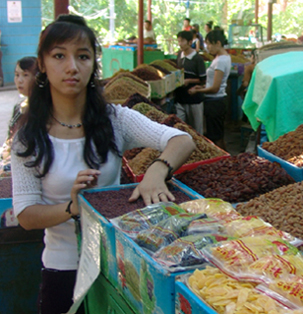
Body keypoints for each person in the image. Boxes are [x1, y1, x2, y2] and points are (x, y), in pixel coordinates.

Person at [11, 14, 195, 314]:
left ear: (93, 64)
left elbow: (182, 141)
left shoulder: (114, 119)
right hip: (63, 268)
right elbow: (26, 215)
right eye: (59, 56)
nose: (72, 67)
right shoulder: (29, 138)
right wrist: (72, 208)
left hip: (118, 266)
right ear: (42, 64)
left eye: (82, 56)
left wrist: (157, 171)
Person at [189, 30, 231, 150]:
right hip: (218, 101)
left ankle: (223, 162)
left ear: (218, 43)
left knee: (216, 137)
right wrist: (202, 87)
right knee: (218, 134)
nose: (207, 48)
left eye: (209, 44)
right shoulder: (224, 57)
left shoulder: (220, 61)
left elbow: (215, 88)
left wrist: (197, 91)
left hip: (214, 103)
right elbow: (213, 84)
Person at [0, 56, 37, 176]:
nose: (19, 80)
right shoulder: (19, 107)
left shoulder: (41, 110)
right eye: (17, 75)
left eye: (25, 75)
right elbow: (10, 138)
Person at [175, 31, 206, 134]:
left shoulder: (197, 59)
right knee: (180, 128)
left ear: (189, 42)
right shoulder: (179, 56)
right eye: (178, 41)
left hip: (194, 99)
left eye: (182, 41)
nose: (180, 43)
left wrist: (189, 81)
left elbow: (203, 80)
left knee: (197, 131)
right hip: (180, 98)